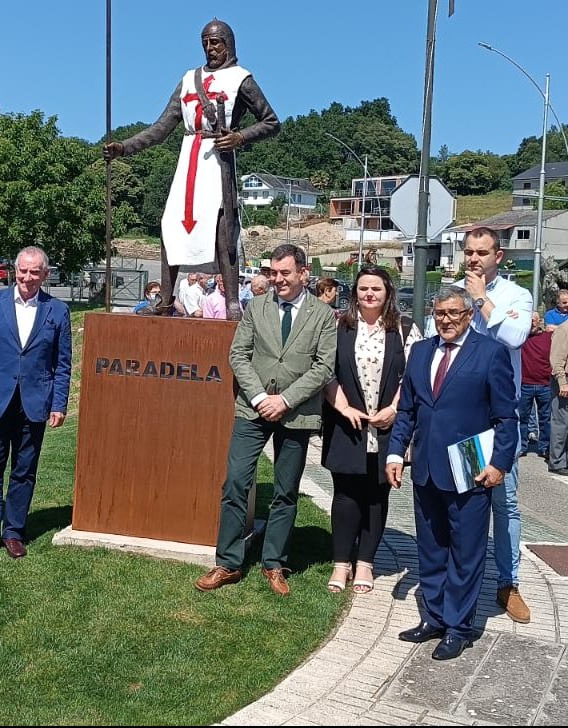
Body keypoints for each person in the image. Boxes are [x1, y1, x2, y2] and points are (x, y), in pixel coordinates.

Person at [103, 19, 280, 321]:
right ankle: (165, 300)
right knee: (171, 225)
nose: (211, 48)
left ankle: (233, 302)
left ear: (229, 43)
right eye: (206, 43)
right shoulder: (189, 79)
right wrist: (125, 147)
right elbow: (161, 127)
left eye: (216, 42)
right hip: (189, 161)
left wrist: (239, 137)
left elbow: (271, 122)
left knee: (223, 231)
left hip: (217, 161)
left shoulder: (241, 79)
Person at [194, 244, 336, 596]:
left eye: (285, 273)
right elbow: (238, 355)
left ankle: (274, 563)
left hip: (296, 413)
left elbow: (324, 367)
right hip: (252, 409)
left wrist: (285, 400)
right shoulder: (256, 308)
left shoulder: (322, 315)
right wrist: (260, 398)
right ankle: (227, 562)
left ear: (303, 273)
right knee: (236, 483)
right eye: (273, 273)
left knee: (286, 491)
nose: (278, 279)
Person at [386, 286, 518, 661]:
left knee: (466, 551)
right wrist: (395, 453)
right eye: (440, 313)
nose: (446, 320)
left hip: (472, 465)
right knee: (430, 547)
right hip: (426, 466)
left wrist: (499, 464)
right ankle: (435, 616)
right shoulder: (421, 351)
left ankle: (459, 627)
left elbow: (506, 417)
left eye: (454, 313)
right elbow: (408, 410)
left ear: (469, 315)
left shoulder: (490, 353)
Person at [425, 226, 532, 624]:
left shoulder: (514, 295)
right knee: (455, 500)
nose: (473, 259)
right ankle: (454, 585)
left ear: (498, 257)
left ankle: (508, 583)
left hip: (496, 419)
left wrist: (480, 299)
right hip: (459, 417)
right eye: (468, 252)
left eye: (482, 253)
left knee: (503, 503)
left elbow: (516, 336)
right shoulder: (450, 291)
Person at [0, 246, 72, 563]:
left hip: (35, 403)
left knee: (24, 472)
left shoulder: (57, 311)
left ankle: (13, 532)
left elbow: (62, 364)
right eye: (23, 270)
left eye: (35, 271)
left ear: (45, 274)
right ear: (15, 270)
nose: (28, 277)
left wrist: (59, 403)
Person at [321, 267, 421, 594]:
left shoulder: (405, 329)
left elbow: (413, 377)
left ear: (387, 292)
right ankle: (340, 563)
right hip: (347, 424)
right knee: (346, 494)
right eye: (363, 288)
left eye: (375, 288)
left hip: (388, 426)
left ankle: (365, 561)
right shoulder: (339, 326)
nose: (369, 294)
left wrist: (394, 409)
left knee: (377, 495)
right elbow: (325, 371)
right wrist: (343, 407)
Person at [518, 312, 552, 458]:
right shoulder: (519, 338)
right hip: (524, 383)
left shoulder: (548, 337)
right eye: (529, 320)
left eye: (534, 320)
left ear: (539, 321)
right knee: (522, 418)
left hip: (545, 384)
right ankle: (522, 446)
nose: (532, 323)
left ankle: (545, 447)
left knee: (546, 418)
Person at [548, 320, 568, 476]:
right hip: (564, 381)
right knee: (561, 423)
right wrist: (563, 382)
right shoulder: (564, 330)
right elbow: (556, 360)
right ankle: (557, 461)